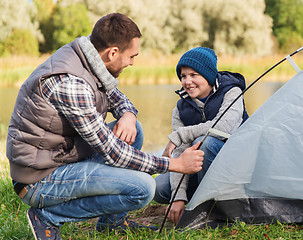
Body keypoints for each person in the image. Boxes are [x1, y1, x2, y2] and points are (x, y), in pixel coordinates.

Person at [6, 13, 204, 240]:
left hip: (60, 157)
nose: (132, 63)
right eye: (131, 56)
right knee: (143, 189)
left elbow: (117, 98)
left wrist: (128, 114)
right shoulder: (71, 84)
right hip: (38, 180)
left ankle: (112, 224)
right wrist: (174, 164)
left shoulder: (87, 59)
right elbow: (114, 153)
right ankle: (48, 216)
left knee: (134, 129)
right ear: (113, 53)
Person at [153, 47, 249, 224]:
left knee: (204, 143)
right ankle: (196, 199)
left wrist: (181, 134)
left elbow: (224, 127)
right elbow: (179, 153)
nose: (187, 81)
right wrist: (178, 196)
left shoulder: (232, 92)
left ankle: (214, 206)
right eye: (183, 76)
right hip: (199, 171)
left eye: (193, 74)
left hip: (236, 168)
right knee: (159, 187)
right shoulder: (180, 109)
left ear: (208, 75)